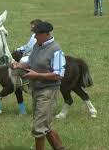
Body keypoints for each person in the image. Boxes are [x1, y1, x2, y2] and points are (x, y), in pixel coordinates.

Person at [11, 22, 66, 150]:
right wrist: (19, 65)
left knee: (39, 127)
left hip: (48, 92)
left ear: (47, 34)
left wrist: (37, 75)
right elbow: (31, 63)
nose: (34, 37)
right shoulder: (37, 45)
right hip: (36, 90)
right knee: (45, 124)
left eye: (37, 34)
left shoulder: (55, 50)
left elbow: (59, 74)